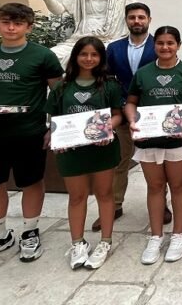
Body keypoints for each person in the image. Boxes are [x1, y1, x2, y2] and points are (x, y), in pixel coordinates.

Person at [0, 3, 64, 269]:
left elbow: (58, 93)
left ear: (28, 27)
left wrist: (54, 127)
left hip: (28, 131)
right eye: (6, 22)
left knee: (31, 182)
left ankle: (30, 232)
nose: (11, 28)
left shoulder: (43, 56)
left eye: (17, 23)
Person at [125, 26, 182, 265]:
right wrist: (132, 120)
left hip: (178, 140)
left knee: (178, 185)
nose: (165, 47)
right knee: (155, 187)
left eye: (170, 43)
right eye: (160, 43)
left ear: (178, 45)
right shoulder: (143, 73)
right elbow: (131, 102)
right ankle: (156, 236)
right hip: (148, 139)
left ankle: (179, 235)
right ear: (154, 45)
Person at [45, 36, 123, 270]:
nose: (89, 59)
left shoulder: (109, 85)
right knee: (77, 196)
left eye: (94, 55)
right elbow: (54, 117)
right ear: (75, 56)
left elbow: (118, 115)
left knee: (105, 194)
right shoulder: (61, 87)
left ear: (101, 58)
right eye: (84, 54)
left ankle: (105, 241)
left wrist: (107, 128)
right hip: (71, 151)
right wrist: (55, 135)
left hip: (102, 149)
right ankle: (77, 242)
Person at [102, 2, 171, 232]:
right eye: (132, 17)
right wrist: (119, 104)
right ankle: (114, 206)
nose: (137, 21)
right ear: (127, 20)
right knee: (120, 160)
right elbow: (108, 79)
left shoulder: (159, 45)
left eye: (141, 17)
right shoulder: (114, 48)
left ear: (149, 20)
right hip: (123, 113)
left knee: (158, 161)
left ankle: (162, 205)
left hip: (154, 115)